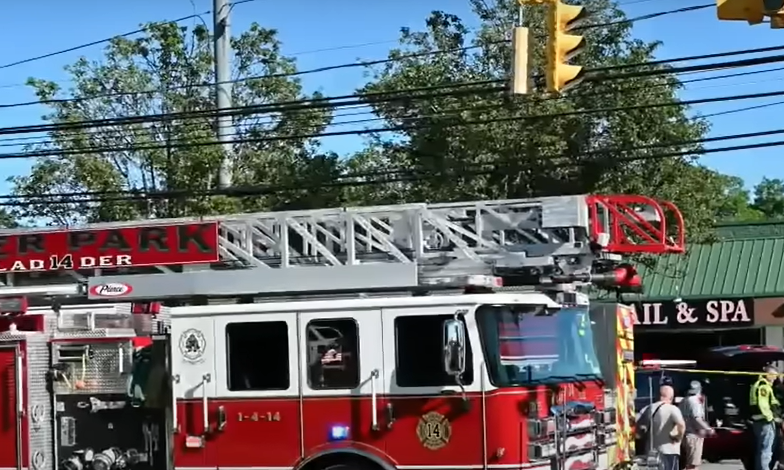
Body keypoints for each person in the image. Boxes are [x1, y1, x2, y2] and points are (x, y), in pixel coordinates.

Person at [637, 385, 686, 470]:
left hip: (651, 451)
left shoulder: (648, 408)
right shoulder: (672, 409)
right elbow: (681, 425)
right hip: (669, 450)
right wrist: (678, 437)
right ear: (671, 397)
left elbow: (639, 427)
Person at [750, 365, 781, 470]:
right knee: (766, 450)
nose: (775, 378)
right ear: (768, 374)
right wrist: (771, 418)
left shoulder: (760, 385)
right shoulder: (763, 386)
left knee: (763, 449)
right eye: (773, 375)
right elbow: (763, 405)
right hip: (765, 422)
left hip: (760, 421)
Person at [679, 380, 714, 470]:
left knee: (687, 464)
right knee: (693, 465)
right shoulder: (695, 402)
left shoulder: (684, 400)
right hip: (694, 436)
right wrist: (708, 428)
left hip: (686, 435)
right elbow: (697, 418)